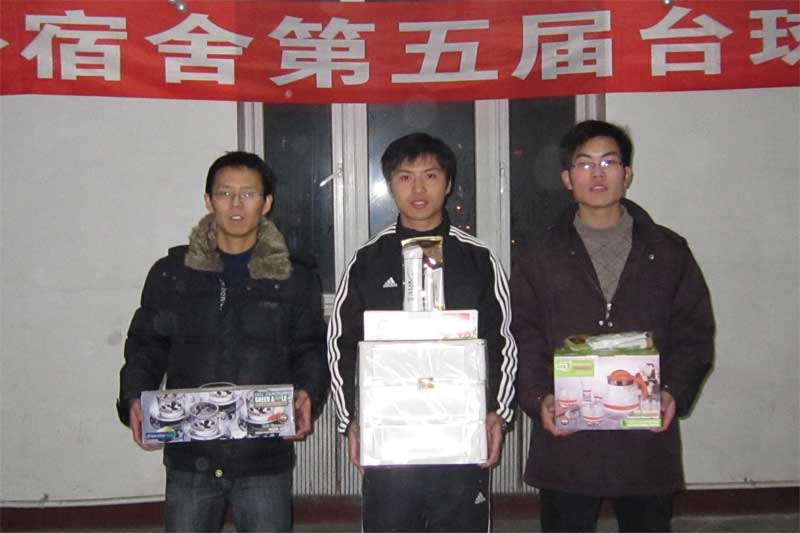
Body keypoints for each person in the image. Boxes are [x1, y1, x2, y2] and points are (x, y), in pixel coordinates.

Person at [511, 120, 715, 532]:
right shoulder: (539, 253)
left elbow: (694, 334)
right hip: (567, 435)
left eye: (609, 162)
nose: (598, 174)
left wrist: (674, 391)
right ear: (567, 178)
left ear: (628, 174)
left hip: (644, 437)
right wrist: (538, 397)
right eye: (584, 164)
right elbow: (522, 334)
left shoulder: (667, 250)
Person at [116, 151, 329, 532]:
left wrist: (308, 393)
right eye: (225, 193)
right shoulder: (172, 273)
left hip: (263, 457)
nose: (236, 204)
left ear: (266, 202)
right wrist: (134, 397)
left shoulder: (294, 278)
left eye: (248, 194)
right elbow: (146, 345)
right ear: (208, 200)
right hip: (190, 454)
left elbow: (310, 348)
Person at [327, 132, 517, 532]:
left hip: (461, 431)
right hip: (390, 433)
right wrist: (352, 421)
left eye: (430, 176)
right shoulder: (367, 261)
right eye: (405, 177)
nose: (418, 189)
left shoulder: (479, 259)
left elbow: (505, 341)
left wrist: (497, 413)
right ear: (389, 185)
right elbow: (340, 344)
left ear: (447, 184)